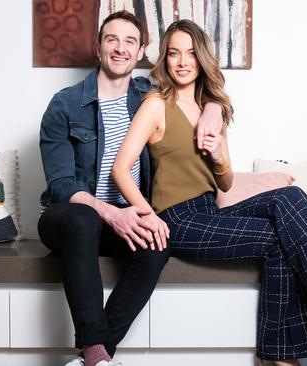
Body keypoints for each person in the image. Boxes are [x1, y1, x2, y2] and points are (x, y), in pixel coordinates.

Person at [112, 19, 307, 366]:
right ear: (165, 59)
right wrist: (149, 216)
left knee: (290, 197)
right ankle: (302, 339)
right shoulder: (155, 103)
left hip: (209, 211)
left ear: (202, 60)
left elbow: (225, 184)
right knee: (281, 238)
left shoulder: (213, 111)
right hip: (177, 218)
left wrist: (217, 155)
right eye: (174, 53)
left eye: (191, 54)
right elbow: (120, 169)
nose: (182, 62)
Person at [38, 11, 223, 366]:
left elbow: (195, 95)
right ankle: (96, 355)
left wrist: (214, 107)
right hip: (69, 221)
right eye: (112, 40)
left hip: (126, 218)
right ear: (98, 47)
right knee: (82, 219)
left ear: (141, 51)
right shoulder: (64, 105)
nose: (120, 49)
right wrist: (111, 212)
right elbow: (61, 184)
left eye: (129, 42)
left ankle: (96, 356)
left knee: (157, 244)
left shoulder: (149, 98)